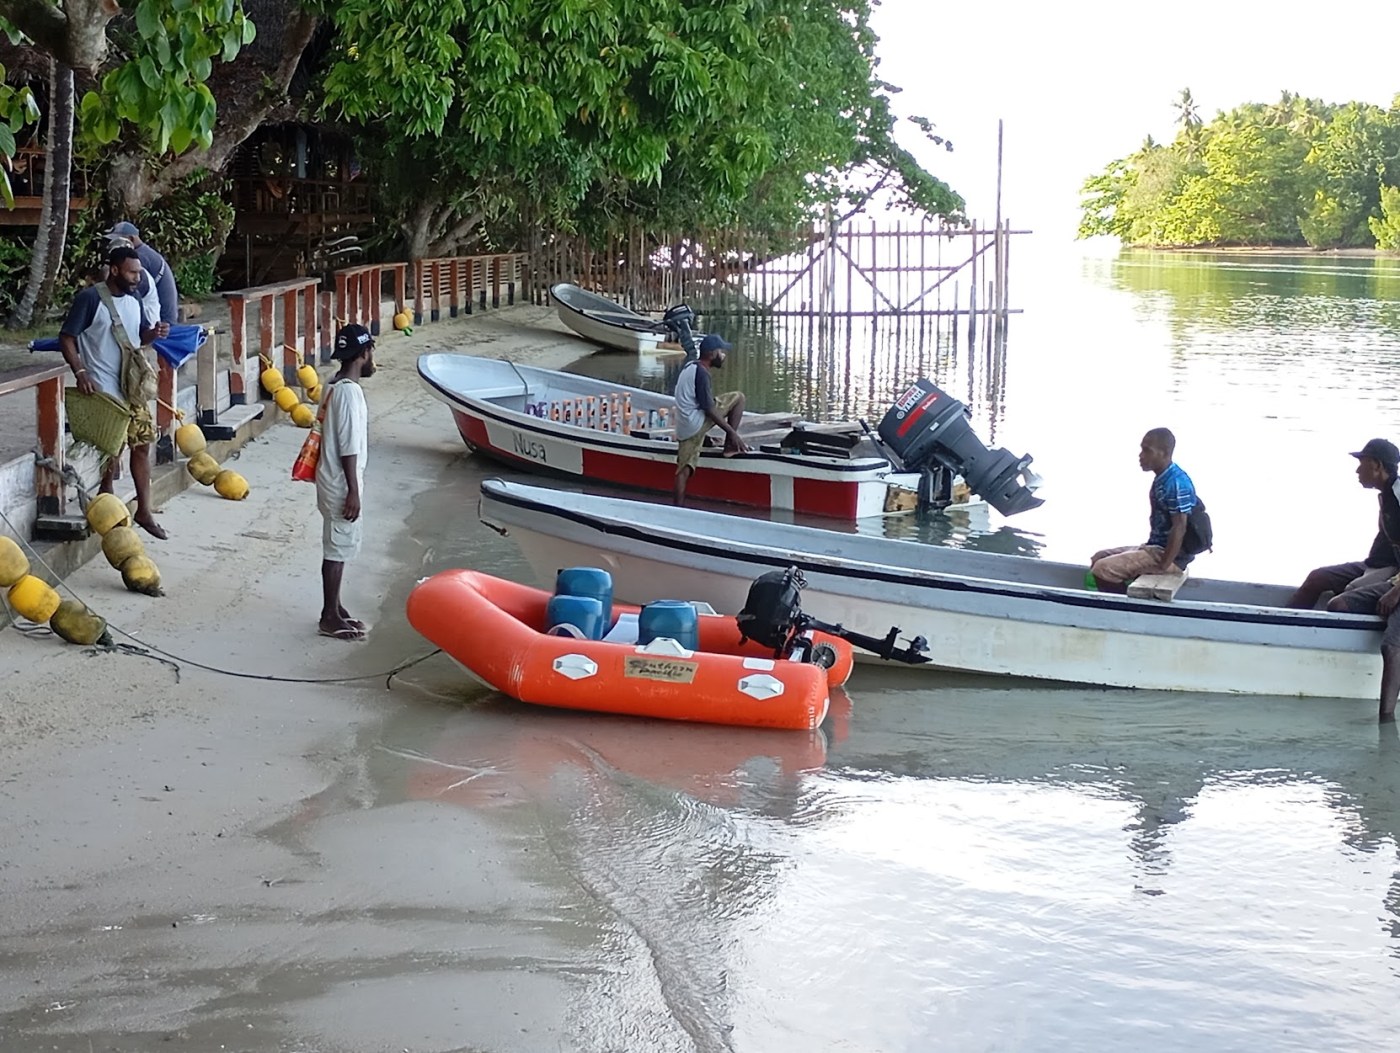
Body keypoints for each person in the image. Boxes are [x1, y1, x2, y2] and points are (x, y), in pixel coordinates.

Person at [58, 245, 170, 539]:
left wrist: (154, 333)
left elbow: (138, 336)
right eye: (132, 272)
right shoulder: (90, 298)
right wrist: (80, 372)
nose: (137, 278)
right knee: (112, 450)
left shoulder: (133, 299)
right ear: (116, 270)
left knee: (143, 444)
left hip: (131, 387)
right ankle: (106, 501)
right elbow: (67, 337)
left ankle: (144, 510)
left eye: (139, 273)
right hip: (104, 386)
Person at [1286, 438, 1400, 720]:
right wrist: (1368, 569)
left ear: (1377, 465)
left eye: (1361, 464)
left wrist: (1395, 591)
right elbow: (1388, 541)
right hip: (1383, 565)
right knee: (1317, 578)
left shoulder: (1399, 495)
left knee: (1342, 606)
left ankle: (1386, 719)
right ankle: (1286, 633)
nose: (1357, 471)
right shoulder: (1386, 493)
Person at [316, 323, 375, 641]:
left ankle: (336, 608)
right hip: (341, 481)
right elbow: (349, 446)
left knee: (337, 541)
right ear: (364, 354)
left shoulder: (333, 385)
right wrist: (353, 490)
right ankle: (328, 616)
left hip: (328, 477)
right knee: (337, 547)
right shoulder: (350, 393)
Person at [1088, 427, 1197, 592]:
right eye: (1141, 449)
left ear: (1164, 453)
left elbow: (1180, 527)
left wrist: (1163, 566)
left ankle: (1123, 610)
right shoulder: (1162, 478)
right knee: (1098, 558)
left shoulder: (1176, 483)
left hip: (1171, 557)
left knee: (1102, 569)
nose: (1141, 455)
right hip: (1154, 547)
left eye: (1147, 451)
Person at [672, 333, 748, 506]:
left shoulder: (691, 366)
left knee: (683, 469)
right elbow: (709, 409)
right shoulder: (702, 374)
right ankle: (730, 445)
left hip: (684, 425)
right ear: (711, 354)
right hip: (695, 423)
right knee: (739, 398)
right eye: (720, 351)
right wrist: (732, 433)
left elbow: (702, 403)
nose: (723, 355)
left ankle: (677, 510)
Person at [105, 221, 178, 325]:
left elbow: (125, 297)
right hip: (164, 316)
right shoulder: (145, 252)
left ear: (130, 239)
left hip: (161, 321)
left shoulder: (136, 259)